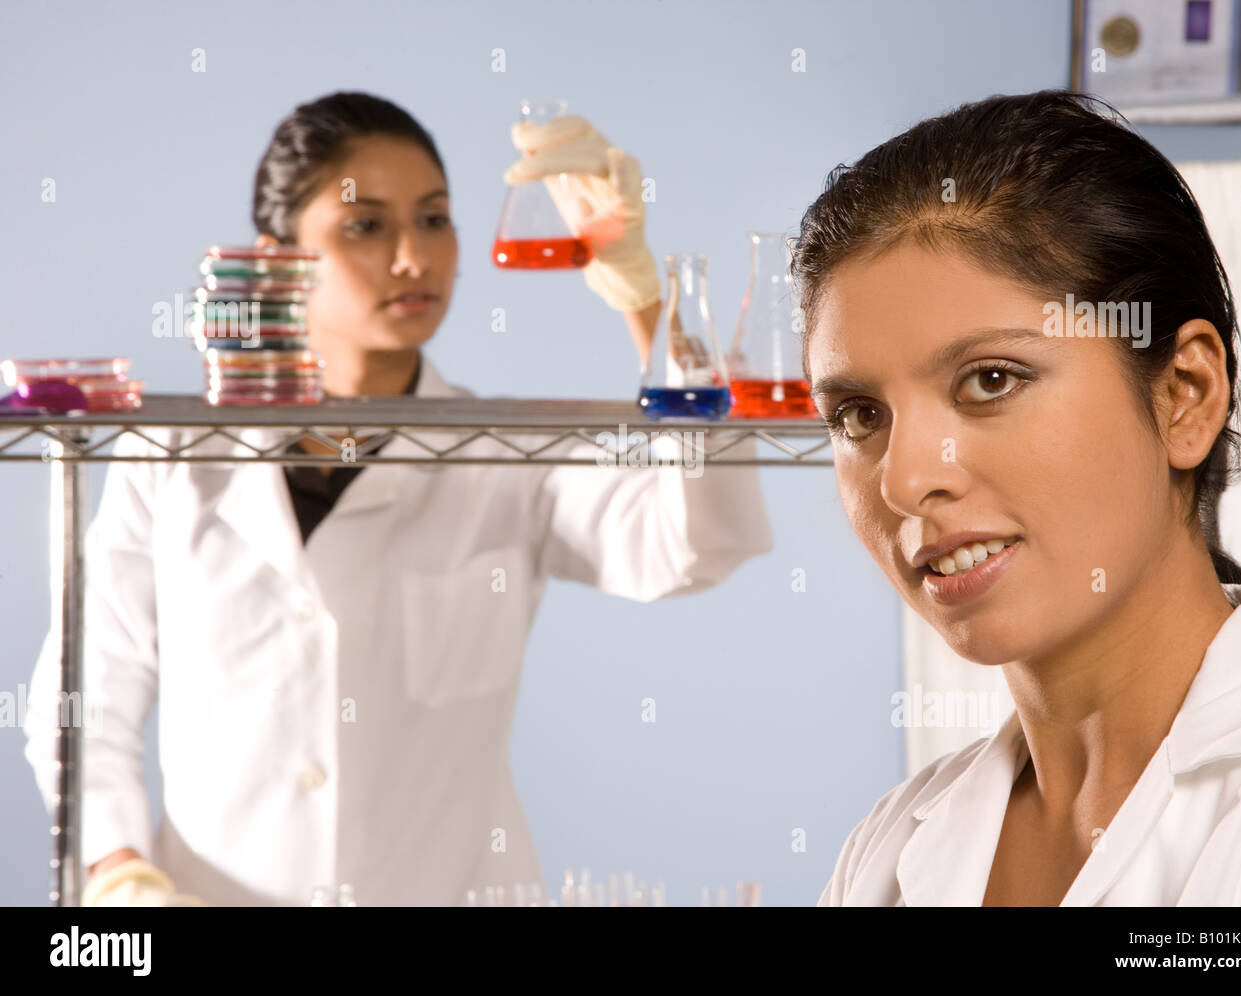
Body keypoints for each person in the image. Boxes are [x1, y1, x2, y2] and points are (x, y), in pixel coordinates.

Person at [23, 92, 773, 906]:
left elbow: (699, 543)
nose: (414, 258)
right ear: (277, 260)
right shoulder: (170, 457)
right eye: (366, 225)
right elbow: (83, 702)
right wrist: (119, 871)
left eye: (435, 219)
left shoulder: (502, 456)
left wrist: (644, 300)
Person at [797, 90, 1241, 906]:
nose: (904, 480)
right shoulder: (887, 852)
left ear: (1185, 396)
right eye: (860, 416)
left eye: (991, 380)